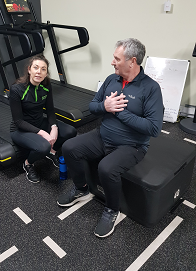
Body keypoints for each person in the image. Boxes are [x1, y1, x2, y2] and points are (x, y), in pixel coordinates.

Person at [57, 38, 163, 238]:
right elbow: (93, 106)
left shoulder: (151, 89)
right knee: (70, 148)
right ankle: (82, 189)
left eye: (116, 58)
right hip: (102, 135)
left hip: (132, 146)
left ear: (132, 61)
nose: (112, 62)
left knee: (106, 168)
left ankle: (112, 209)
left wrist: (120, 113)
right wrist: (105, 107)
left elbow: (154, 128)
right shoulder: (110, 80)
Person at [9, 54, 77, 183]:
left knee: (70, 131)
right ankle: (28, 164)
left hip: (40, 122)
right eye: (36, 67)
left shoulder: (46, 86)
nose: (39, 71)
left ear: (46, 73)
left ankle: (52, 152)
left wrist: (54, 127)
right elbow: (18, 121)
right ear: (29, 69)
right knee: (43, 146)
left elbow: (50, 111)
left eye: (43, 69)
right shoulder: (16, 89)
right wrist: (43, 133)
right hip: (20, 129)